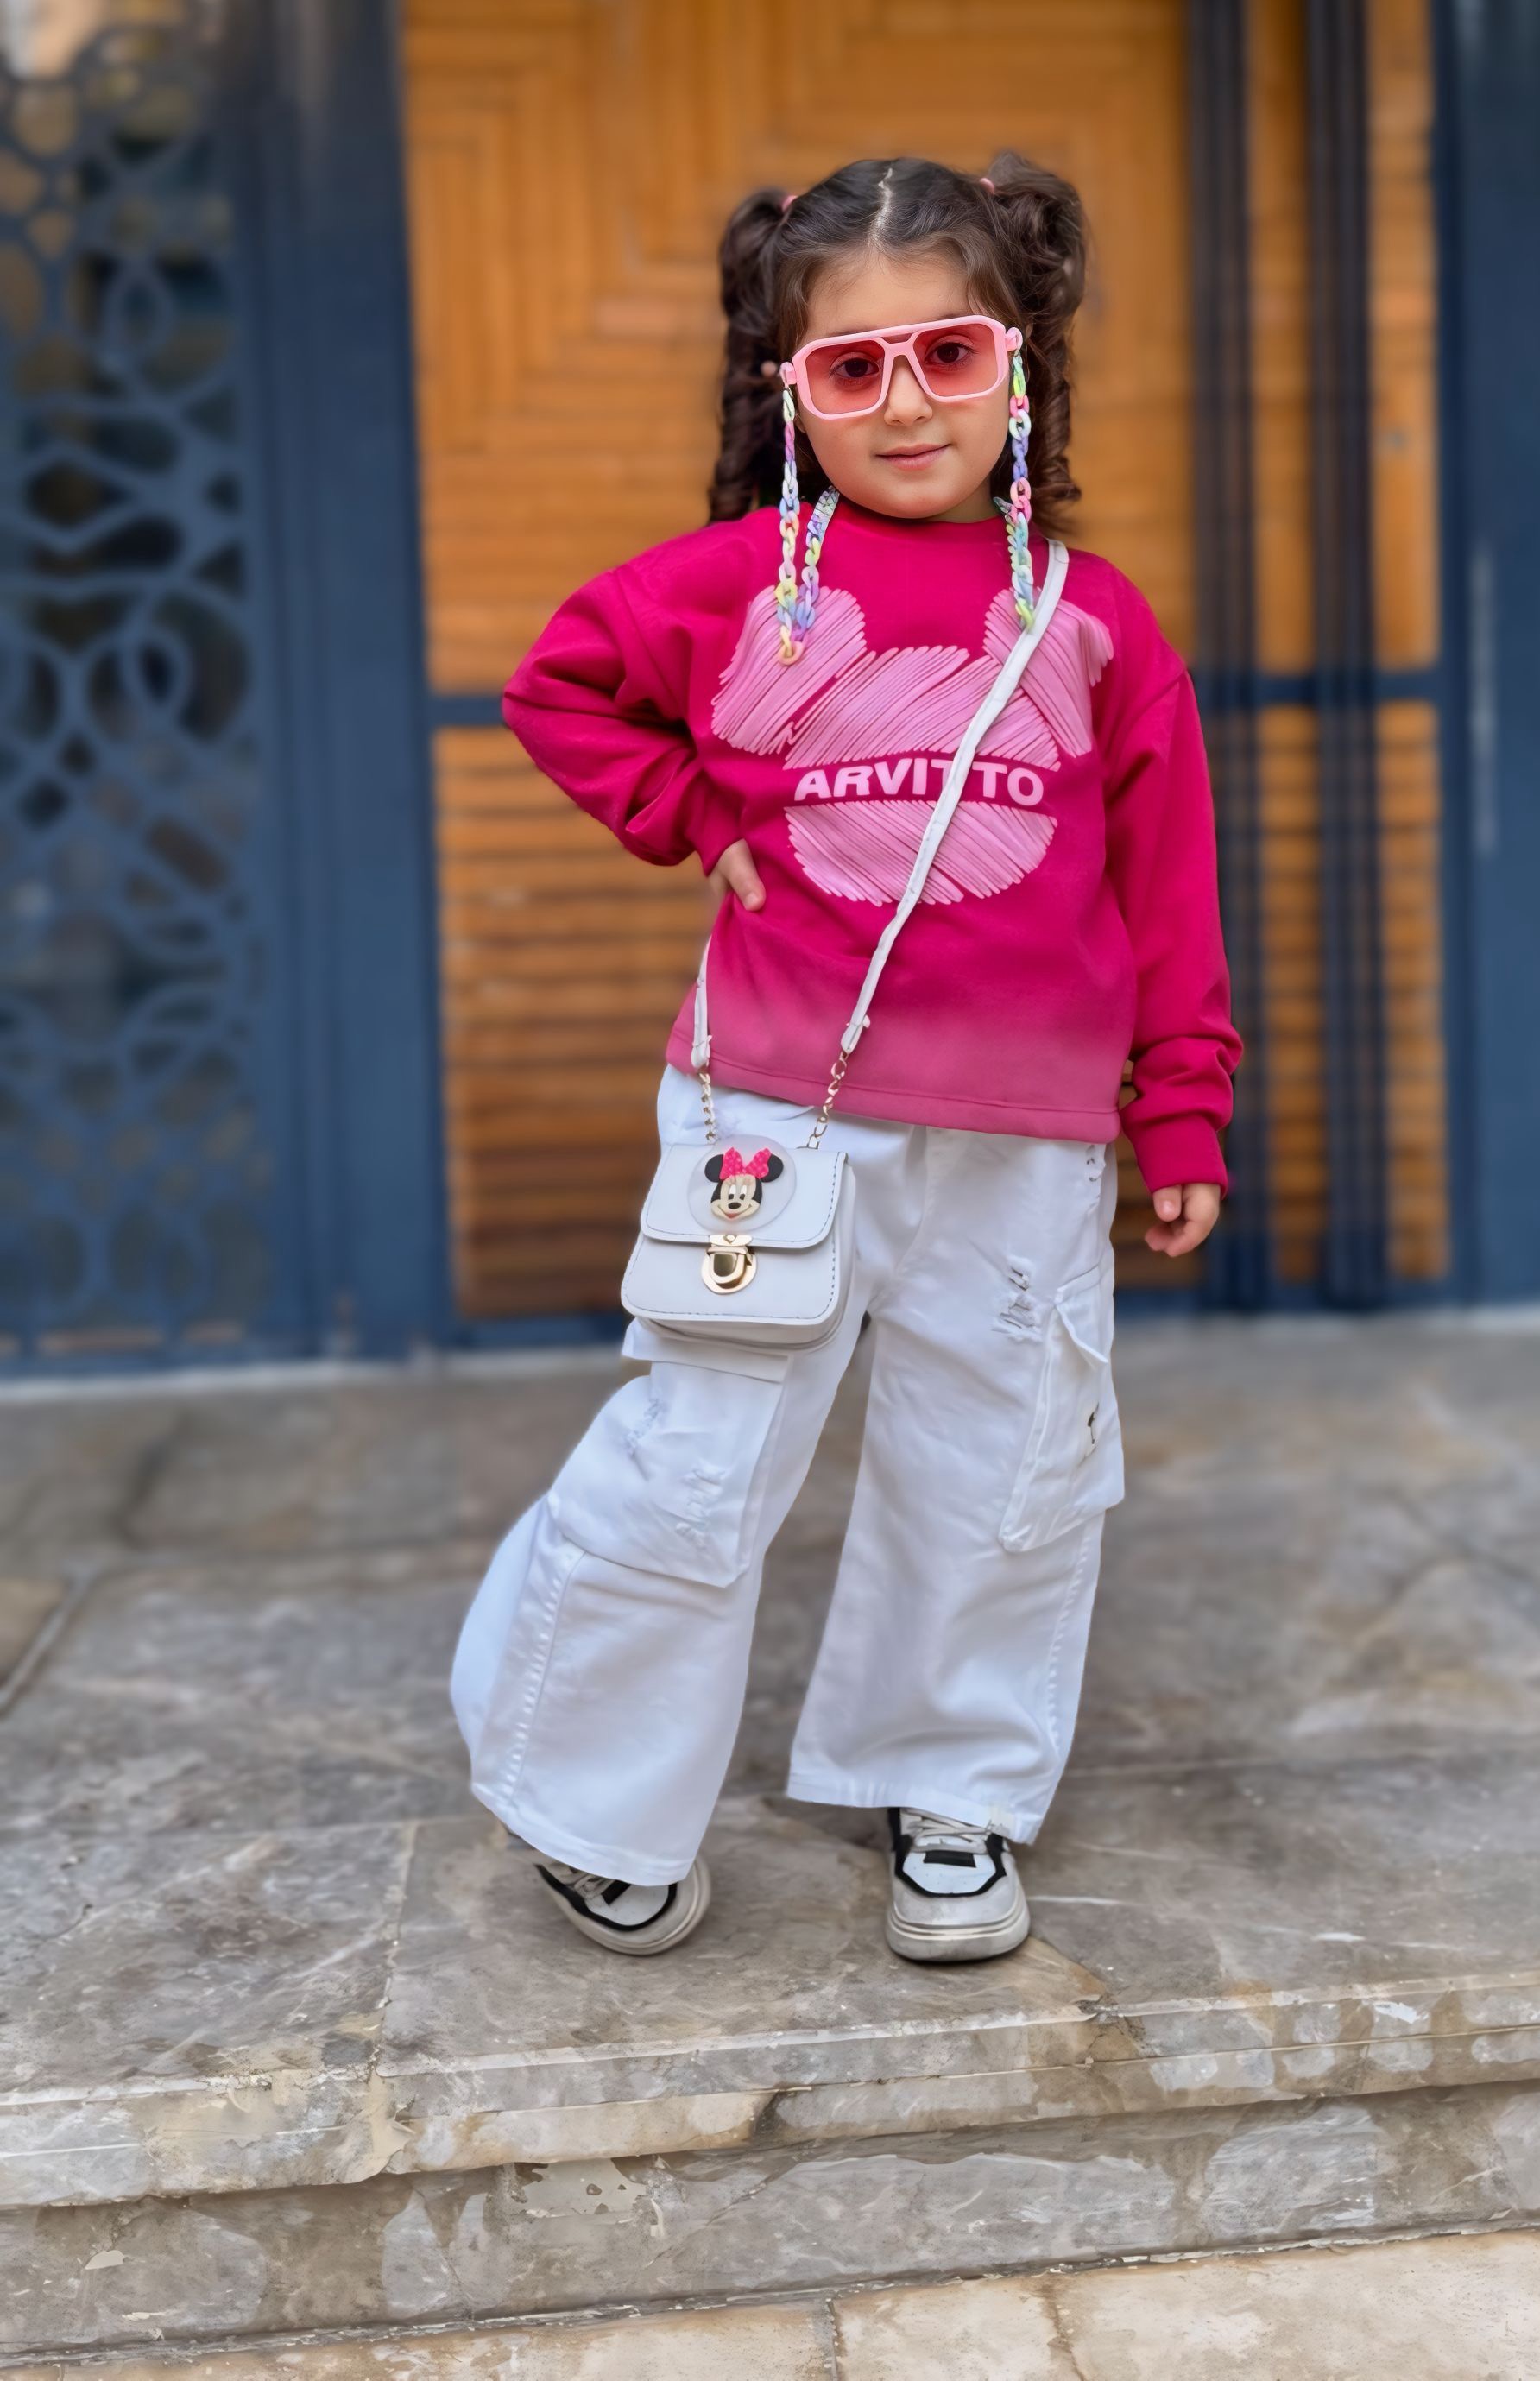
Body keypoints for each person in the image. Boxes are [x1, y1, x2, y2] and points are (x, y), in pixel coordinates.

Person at [451, 152, 1239, 1966]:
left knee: (1005, 1464)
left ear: (1019, 365)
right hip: (773, 1112)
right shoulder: (739, 585)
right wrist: (690, 809)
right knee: (701, 1453)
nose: (903, 404)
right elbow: (558, 685)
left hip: (1027, 1130)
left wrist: (1181, 1101)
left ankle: (949, 1790)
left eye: (947, 355)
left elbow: (1166, 884)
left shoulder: (1094, 621)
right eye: (851, 366)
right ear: (788, 390)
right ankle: (590, 1796)